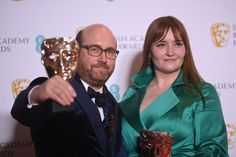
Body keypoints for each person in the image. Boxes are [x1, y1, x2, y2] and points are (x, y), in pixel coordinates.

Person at [11, 24, 127, 157]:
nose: (104, 59)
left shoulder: (114, 104)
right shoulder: (55, 89)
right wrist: (36, 95)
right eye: (94, 49)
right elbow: (21, 111)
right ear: (75, 53)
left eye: (110, 51)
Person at [120, 16, 229, 156]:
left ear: (186, 50)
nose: (170, 52)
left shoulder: (203, 93)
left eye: (178, 44)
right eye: (161, 45)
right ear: (149, 50)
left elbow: (215, 150)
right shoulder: (131, 93)